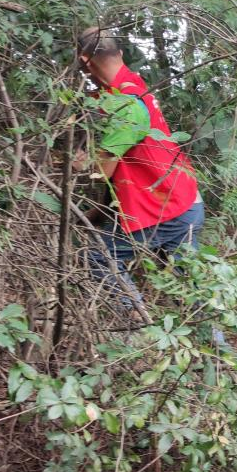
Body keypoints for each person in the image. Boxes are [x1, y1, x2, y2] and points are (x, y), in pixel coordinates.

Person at [76, 27, 203, 307]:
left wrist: (81, 165)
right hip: (184, 200)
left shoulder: (126, 104)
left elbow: (102, 171)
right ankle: (214, 344)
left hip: (166, 207)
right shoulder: (129, 86)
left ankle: (137, 328)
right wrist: (100, 210)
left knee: (100, 258)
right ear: (119, 54)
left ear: (85, 61)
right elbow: (122, 165)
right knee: (188, 289)